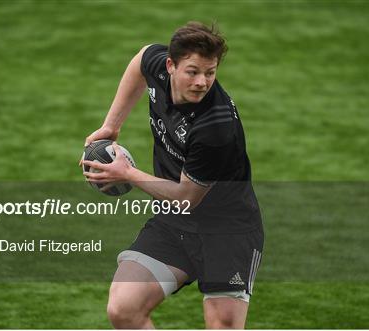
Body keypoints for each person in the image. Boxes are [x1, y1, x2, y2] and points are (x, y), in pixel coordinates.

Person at [82, 21, 263, 329]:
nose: (202, 82)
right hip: (173, 223)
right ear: (171, 65)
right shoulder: (157, 65)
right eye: (193, 71)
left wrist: (127, 173)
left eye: (210, 72)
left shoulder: (215, 128)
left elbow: (186, 197)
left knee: (223, 325)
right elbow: (140, 59)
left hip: (227, 231)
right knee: (123, 309)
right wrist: (112, 125)